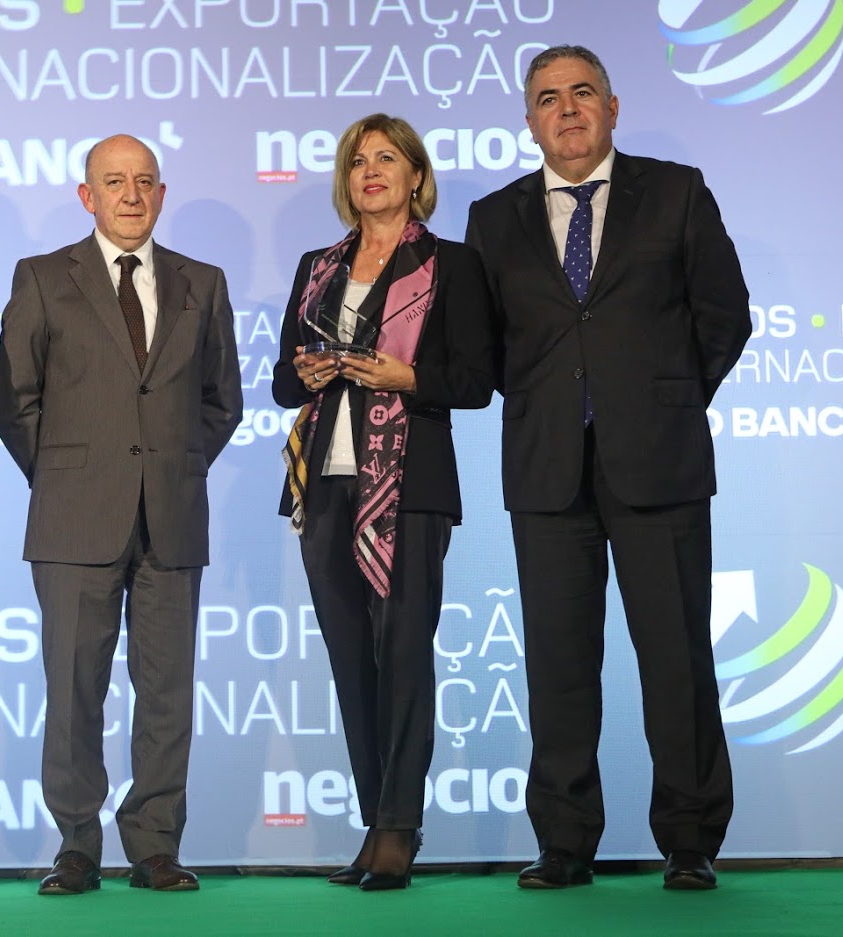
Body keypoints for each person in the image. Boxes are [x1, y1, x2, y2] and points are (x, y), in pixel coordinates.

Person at [464, 45, 750, 890]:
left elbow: (724, 315)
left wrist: (665, 398)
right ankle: (563, 840)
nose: (567, 109)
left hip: (658, 464)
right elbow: (483, 345)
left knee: (675, 659)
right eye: (548, 98)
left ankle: (689, 838)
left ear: (612, 107)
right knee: (557, 666)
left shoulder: (675, 192)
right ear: (529, 121)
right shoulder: (492, 218)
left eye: (582, 92)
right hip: (546, 469)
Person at [0, 134, 241, 895]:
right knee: (73, 689)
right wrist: (67, 476)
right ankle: (76, 845)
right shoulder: (42, 277)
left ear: (160, 195)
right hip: (73, 518)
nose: (130, 195)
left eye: (144, 182)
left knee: (167, 692)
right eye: (114, 181)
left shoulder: (203, 282)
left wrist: (167, 467)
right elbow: (14, 399)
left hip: (172, 516)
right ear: (87, 195)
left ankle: (155, 845)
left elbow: (221, 401)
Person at [272, 114, 496, 891]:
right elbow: (281, 382)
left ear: (414, 176)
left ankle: (400, 826)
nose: (370, 170)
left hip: (409, 486)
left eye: (386, 158)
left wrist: (408, 378)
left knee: (401, 656)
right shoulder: (318, 266)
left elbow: (475, 380)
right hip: (323, 482)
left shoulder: (450, 265)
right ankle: (373, 823)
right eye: (357, 160)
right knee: (350, 660)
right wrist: (304, 373)